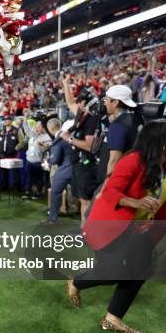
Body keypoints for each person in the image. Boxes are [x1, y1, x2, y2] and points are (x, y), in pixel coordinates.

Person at [68, 120, 166, 333]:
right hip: (111, 227)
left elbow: (160, 191)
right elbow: (110, 191)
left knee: (140, 270)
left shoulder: (163, 167)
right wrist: (136, 203)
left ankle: (113, 318)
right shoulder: (132, 160)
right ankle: (76, 281)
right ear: (161, 139)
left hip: (140, 231)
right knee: (112, 273)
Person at [60, 75, 100, 223]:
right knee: (82, 199)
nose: (77, 106)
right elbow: (70, 102)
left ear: (86, 104)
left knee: (86, 200)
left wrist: (69, 139)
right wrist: (66, 84)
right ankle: (84, 229)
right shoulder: (82, 116)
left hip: (87, 164)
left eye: (81, 103)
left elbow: (89, 146)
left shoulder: (91, 120)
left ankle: (86, 232)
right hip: (78, 163)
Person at [96, 85, 140, 187]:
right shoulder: (136, 119)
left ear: (115, 103)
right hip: (132, 177)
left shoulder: (118, 125)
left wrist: (107, 186)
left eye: (107, 99)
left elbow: (114, 159)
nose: (105, 103)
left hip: (117, 181)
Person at [46, 118, 72, 223]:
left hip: (65, 168)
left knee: (55, 192)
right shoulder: (68, 135)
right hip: (76, 167)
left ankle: (52, 219)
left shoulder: (58, 139)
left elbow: (55, 159)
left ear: (51, 128)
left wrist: (48, 161)